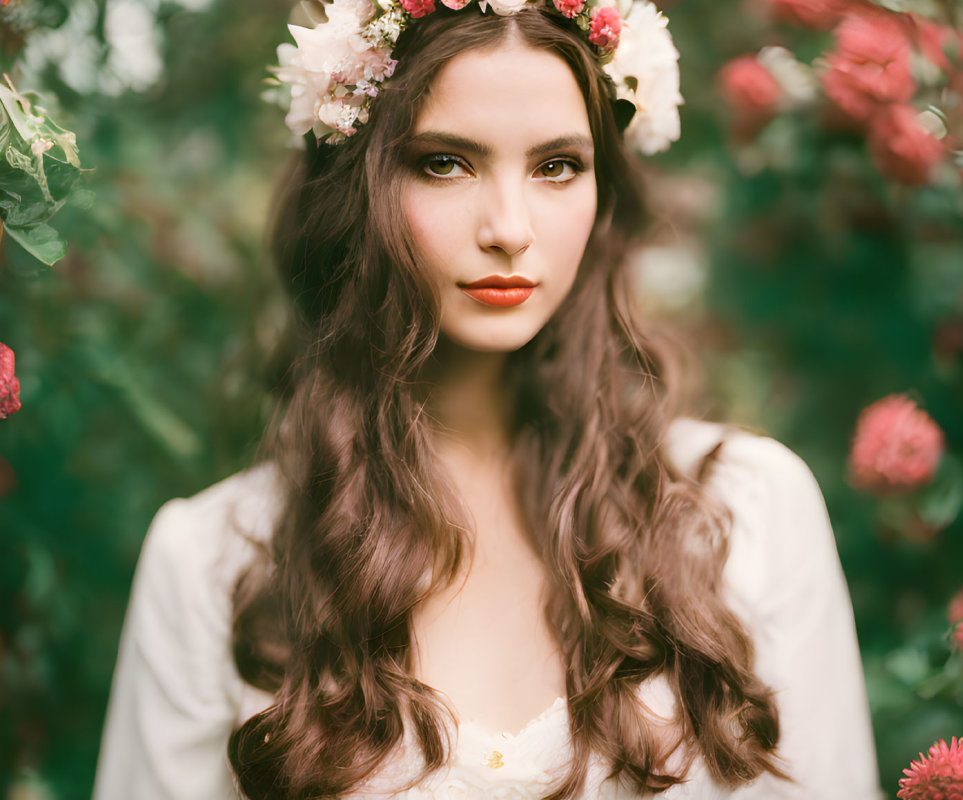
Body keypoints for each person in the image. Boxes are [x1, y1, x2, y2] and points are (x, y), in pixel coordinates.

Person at [93, 0, 882, 798]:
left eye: (557, 166)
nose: (509, 227)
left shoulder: (747, 514)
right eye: (445, 162)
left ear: (603, 192)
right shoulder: (213, 565)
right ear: (356, 189)